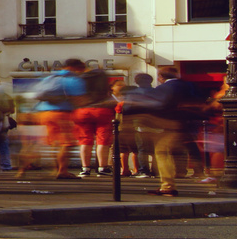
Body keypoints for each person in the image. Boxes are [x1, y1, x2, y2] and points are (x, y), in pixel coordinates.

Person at [124, 66, 207, 197]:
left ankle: (167, 186)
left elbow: (159, 104)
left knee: (162, 152)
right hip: (190, 124)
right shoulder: (189, 85)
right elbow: (201, 100)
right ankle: (194, 173)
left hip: (171, 124)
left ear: (161, 77)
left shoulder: (164, 88)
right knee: (187, 150)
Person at [32, 60, 88, 179]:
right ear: (75, 68)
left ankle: (56, 169)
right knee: (66, 144)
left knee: (55, 143)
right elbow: (79, 99)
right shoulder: (73, 80)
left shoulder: (50, 78)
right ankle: (63, 171)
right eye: (81, 69)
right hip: (62, 114)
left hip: (44, 113)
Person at [67, 60, 116, 176]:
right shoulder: (102, 75)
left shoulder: (79, 79)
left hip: (83, 111)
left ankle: (85, 168)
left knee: (85, 140)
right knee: (102, 140)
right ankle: (103, 168)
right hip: (102, 109)